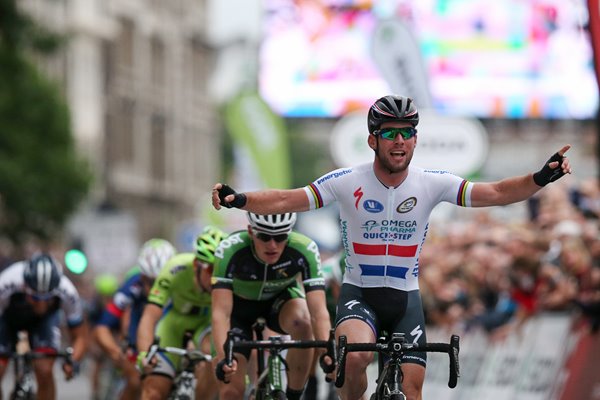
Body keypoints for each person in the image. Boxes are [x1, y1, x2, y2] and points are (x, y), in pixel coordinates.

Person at [211, 95, 573, 400]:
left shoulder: (431, 183)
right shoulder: (346, 181)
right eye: (389, 133)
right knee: (353, 360)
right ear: (373, 140)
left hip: (405, 299)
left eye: (407, 133)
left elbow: (496, 193)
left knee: (412, 392)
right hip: (359, 296)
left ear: (415, 140)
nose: (399, 141)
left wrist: (540, 178)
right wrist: (239, 199)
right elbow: (286, 199)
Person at [212, 212, 332, 400]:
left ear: (289, 234)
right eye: (264, 237)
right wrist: (222, 358)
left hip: (280, 303)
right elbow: (220, 314)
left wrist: (327, 352)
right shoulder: (230, 249)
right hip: (239, 310)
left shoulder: (305, 248)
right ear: (251, 231)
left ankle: (294, 396)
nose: (272, 245)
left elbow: (318, 312)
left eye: (281, 237)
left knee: (304, 321)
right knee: (230, 392)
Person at [136, 227, 226, 400]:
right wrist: (144, 354)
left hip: (207, 325)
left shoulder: (228, 278)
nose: (215, 277)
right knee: (153, 392)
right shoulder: (175, 269)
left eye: (219, 270)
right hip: (173, 326)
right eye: (210, 270)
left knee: (211, 350)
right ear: (196, 265)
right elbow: (149, 317)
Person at [94, 238, 176, 400]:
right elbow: (101, 328)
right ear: (142, 276)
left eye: (160, 282)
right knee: (135, 382)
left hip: (172, 339)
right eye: (149, 282)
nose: (154, 289)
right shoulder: (133, 285)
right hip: (138, 342)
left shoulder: (182, 283)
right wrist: (115, 352)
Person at [0, 253, 88, 400]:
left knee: (45, 370)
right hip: (8, 318)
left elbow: (80, 336)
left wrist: (72, 361)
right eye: (34, 297)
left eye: (46, 298)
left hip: (44, 321)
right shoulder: (8, 281)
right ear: (25, 286)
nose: (40, 303)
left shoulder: (67, 290)